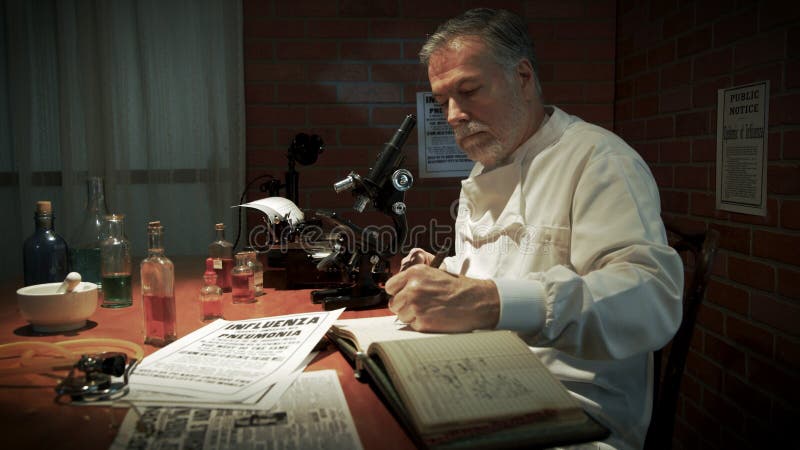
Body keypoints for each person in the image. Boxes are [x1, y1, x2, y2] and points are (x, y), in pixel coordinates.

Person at [384, 8, 684, 450]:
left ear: (523, 77)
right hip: (487, 384)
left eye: (468, 91)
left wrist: (487, 300)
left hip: (577, 416)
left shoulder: (599, 160)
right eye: (442, 100)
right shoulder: (486, 166)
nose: (452, 115)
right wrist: (446, 271)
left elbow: (651, 296)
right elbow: (508, 263)